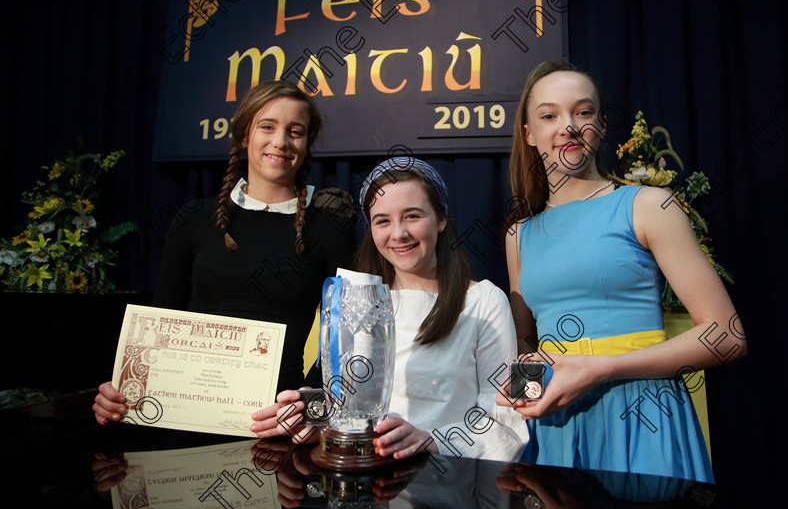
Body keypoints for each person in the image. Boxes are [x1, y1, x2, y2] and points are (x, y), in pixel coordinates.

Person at [499, 61, 747, 483]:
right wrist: (519, 408)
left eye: (582, 112)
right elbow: (526, 343)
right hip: (555, 430)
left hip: (642, 417)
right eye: (549, 115)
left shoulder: (650, 205)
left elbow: (727, 336)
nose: (569, 127)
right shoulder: (518, 233)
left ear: (599, 123)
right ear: (528, 134)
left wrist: (600, 368)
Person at [92, 81, 357, 425]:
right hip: (183, 415)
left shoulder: (330, 230)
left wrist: (306, 401)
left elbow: (346, 340)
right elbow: (158, 322)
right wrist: (121, 393)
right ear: (244, 136)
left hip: (280, 423)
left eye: (295, 131)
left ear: (306, 145)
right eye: (267, 126)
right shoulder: (193, 218)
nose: (280, 141)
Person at [251, 157, 528, 463]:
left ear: (440, 219)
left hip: (446, 486)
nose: (398, 233)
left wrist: (432, 441)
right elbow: (344, 408)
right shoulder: (352, 301)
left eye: (412, 216)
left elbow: (506, 421)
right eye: (382, 221)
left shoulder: (486, 300)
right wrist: (313, 418)